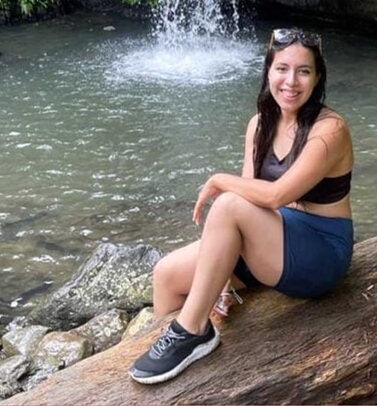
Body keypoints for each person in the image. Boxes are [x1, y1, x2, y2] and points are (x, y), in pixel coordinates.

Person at [129, 27, 354, 384]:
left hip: (319, 251)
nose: (291, 81)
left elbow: (274, 195)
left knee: (229, 204)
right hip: (271, 239)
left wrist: (218, 179)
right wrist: (217, 278)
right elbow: (253, 195)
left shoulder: (330, 130)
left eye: (304, 71)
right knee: (167, 275)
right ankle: (181, 365)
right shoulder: (260, 124)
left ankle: (192, 330)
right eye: (282, 68)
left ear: (318, 77)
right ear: (268, 71)